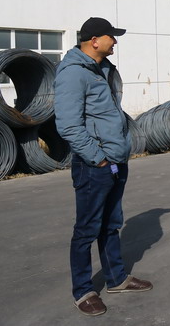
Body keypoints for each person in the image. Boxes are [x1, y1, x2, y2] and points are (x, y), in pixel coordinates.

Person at [55, 17, 152, 317]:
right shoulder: (73, 73)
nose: (115, 41)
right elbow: (68, 125)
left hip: (115, 160)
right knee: (87, 229)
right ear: (94, 40)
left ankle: (116, 278)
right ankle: (83, 291)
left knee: (111, 224)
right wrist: (98, 158)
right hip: (94, 165)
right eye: (111, 36)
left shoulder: (102, 69)